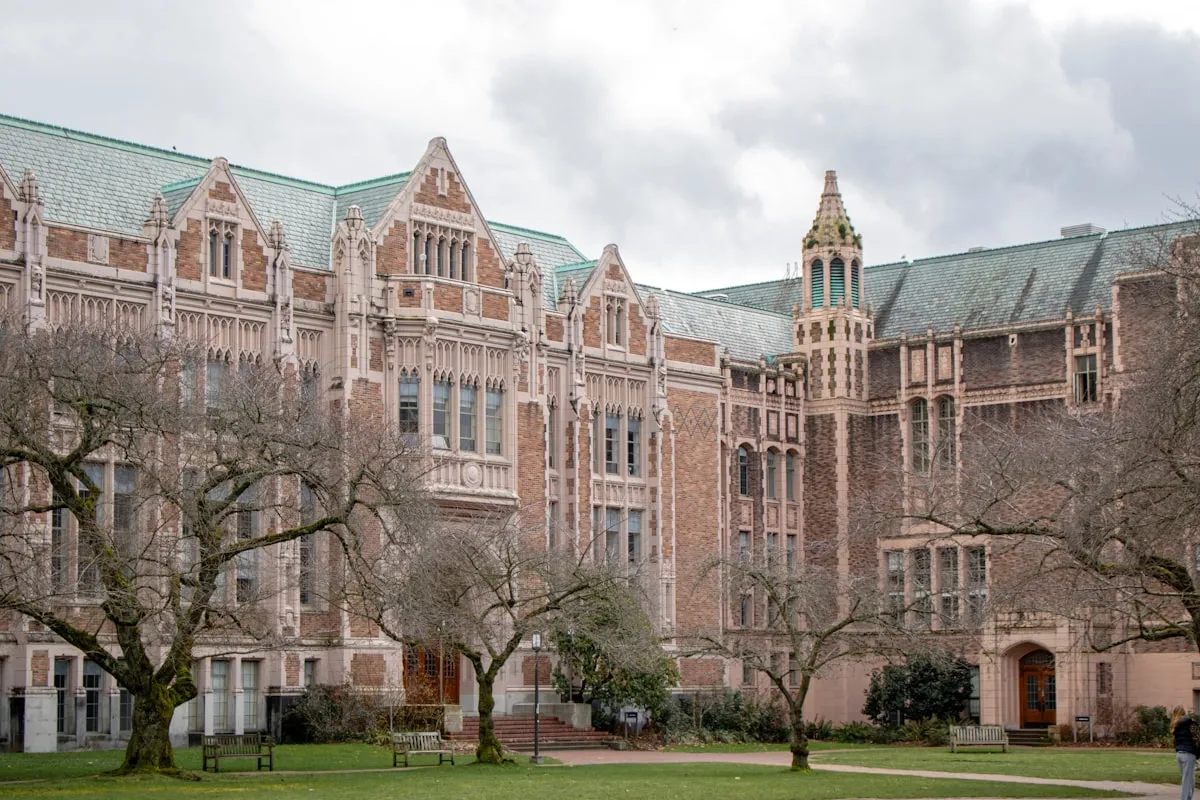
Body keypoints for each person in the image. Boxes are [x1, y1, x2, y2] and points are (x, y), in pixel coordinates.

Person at [1172, 706, 1200, 800]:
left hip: (1179, 753)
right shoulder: (1190, 723)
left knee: (1189, 779)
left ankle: (1188, 798)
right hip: (1189, 754)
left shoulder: (1175, 726)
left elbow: (1175, 742)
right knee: (1187, 781)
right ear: (1184, 713)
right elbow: (1197, 738)